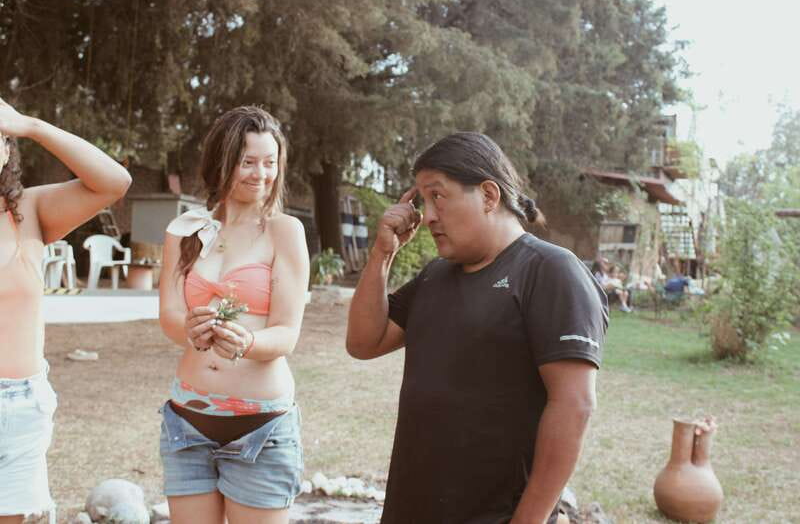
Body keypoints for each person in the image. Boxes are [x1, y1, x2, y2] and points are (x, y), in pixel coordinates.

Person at [346, 132, 609, 524]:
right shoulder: (436, 274)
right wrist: (382, 254)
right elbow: (364, 342)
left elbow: (574, 405)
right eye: (422, 199)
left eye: (438, 195)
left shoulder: (549, 271)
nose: (428, 215)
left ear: (488, 195)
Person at [158, 106, 309, 524]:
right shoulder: (186, 229)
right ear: (222, 162)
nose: (261, 174)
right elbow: (170, 314)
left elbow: (287, 333)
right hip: (187, 422)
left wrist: (249, 342)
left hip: (260, 428)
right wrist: (188, 329)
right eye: (248, 162)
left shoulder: (285, 232)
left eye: (270, 162)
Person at [0, 97, 131, 524]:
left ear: (7, 149)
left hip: (22, 408)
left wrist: (32, 123)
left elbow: (113, 182)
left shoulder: (30, 211)